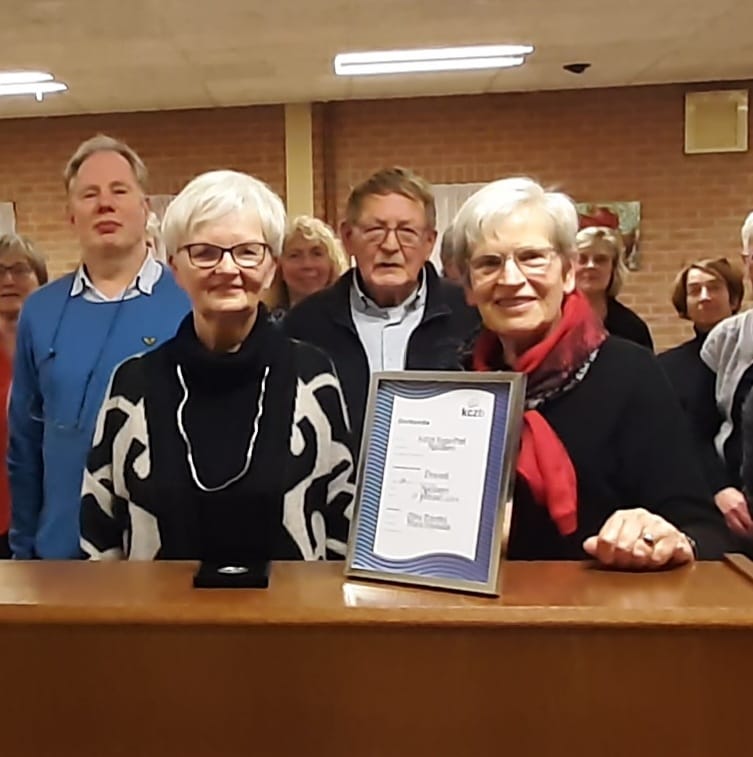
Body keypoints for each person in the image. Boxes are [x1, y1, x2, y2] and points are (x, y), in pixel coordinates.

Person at [451, 177, 727, 567]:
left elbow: (705, 530)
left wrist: (660, 537)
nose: (511, 279)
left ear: (567, 273)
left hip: (595, 619)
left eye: (532, 257)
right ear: (468, 286)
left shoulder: (629, 374)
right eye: (488, 263)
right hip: (466, 618)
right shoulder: (449, 383)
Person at [80, 170, 353, 561]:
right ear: (175, 267)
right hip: (159, 619)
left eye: (247, 251)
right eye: (205, 253)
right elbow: (99, 533)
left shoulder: (313, 376)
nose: (227, 269)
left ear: (271, 265)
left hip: (291, 620)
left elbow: (341, 523)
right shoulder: (132, 384)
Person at [8, 134, 189, 559]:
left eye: (119, 191)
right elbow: (24, 446)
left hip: (166, 558)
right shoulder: (40, 312)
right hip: (61, 559)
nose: (104, 204)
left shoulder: (189, 304)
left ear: (145, 209)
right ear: (70, 215)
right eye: (89, 194)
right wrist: (23, 552)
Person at [285, 167, 479, 449]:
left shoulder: (470, 315)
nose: (390, 246)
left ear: (429, 243)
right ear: (348, 238)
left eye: (407, 232)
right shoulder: (304, 325)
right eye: (375, 230)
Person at [659, 258, 742, 498]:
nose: (705, 296)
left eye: (714, 287)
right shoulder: (666, 367)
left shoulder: (748, 357)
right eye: (695, 290)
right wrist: (719, 488)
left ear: (734, 298)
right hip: (698, 494)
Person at [701, 212, 753, 545]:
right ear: (748, 264)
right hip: (741, 524)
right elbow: (693, 430)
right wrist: (718, 487)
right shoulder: (726, 339)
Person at [0, 234, 47, 558]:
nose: (7, 280)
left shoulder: (57, 349)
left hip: (46, 514)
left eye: (19, 269)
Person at [573, 226, 654, 350]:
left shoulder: (632, 327)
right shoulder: (551, 319)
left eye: (600, 260)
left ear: (614, 268)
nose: (590, 266)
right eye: (582, 259)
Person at [263, 215, 348, 320]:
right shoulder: (266, 328)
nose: (307, 264)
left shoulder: (352, 321)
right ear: (278, 267)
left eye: (317, 254)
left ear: (333, 262)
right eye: (294, 255)